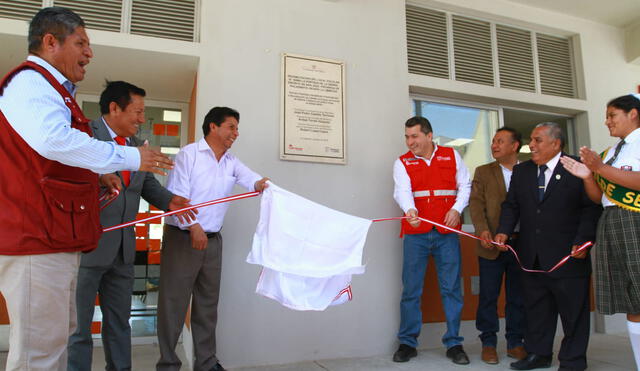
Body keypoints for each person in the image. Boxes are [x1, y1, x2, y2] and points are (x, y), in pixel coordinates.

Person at [0, 7, 172, 371]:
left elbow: (51, 161)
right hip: (36, 238)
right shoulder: (30, 82)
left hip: (56, 238)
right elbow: (52, 141)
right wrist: (128, 158)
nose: (89, 53)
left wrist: (96, 174)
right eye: (81, 43)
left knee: (55, 342)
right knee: (39, 354)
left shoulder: (55, 92)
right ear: (50, 42)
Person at [67, 81, 196, 371]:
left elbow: (147, 185)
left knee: (119, 323)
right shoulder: (82, 135)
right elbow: (69, 177)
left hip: (123, 251)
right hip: (87, 249)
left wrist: (172, 201)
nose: (141, 118)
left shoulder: (138, 146)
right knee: (78, 327)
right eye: (137, 112)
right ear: (114, 108)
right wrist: (98, 178)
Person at [156, 107, 269, 371]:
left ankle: (206, 364)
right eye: (231, 127)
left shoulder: (231, 161)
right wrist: (193, 226)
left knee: (207, 306)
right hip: (183, 238)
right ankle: (168, 365)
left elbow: (251, 180)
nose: (236, 133)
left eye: (236, 128)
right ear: (213, 127)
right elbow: (178, 196)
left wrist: (263, 184)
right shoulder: (189, 155)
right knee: (174, 305)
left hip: (213, 241)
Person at [494, 122, 602, 371]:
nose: (531, 145)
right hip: (531, 255)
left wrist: (584, 240)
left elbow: (591, 207)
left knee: (573, 312)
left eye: (537, 140)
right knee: (536, 310)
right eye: (531, 139)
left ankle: (573, 360)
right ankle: (538, 354)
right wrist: (503, 231)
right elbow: (512, 206)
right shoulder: (522, 172)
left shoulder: (577, 167)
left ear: (556, 143)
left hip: (569, 254)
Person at [560, 94, 640, 371]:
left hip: (635, 220)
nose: (606, 122)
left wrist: (599, 167)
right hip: (611, 221)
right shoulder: (612, 151)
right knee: (632, 298)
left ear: (633, 114)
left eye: (612, 115)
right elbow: (598, 198)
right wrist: (588, 176)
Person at [392, 116, 472, 365]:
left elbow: (465, 186)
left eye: (414, 136)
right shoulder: (402, 162)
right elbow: (402, 191)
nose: (409, 142)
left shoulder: (452, 156)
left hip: (446, 234)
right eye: (407, 136)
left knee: (451, 289)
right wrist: (409, 210)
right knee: (411, 290)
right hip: (416, 234)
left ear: (429, 135)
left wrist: (457, 209)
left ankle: (454, 344)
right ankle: (407, 343)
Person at [469, 127, 527, 364]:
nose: (494, 145)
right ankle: (489, 343)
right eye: (493, 141)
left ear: (514, 146)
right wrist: (483, 230)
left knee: (518, 297)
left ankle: (515, 342)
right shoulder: (483, 172)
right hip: (490, 244)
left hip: (521, 245)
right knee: (488, 296)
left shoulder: (528, 171)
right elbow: (475, 204)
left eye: (500, 141)